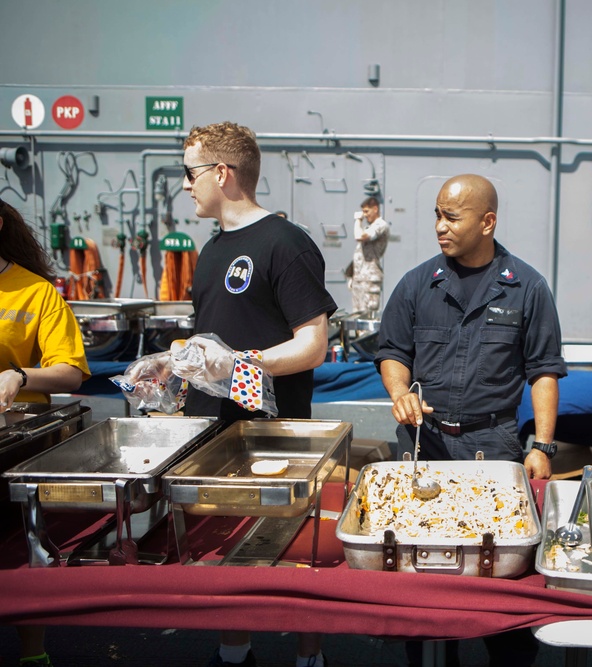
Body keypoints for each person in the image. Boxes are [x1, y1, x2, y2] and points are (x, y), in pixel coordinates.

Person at [375, 174, 566, 667]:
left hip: (492, 446)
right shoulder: (418, 283)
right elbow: (393, 351)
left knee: (494, 573)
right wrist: (400, 393)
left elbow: (543, 371)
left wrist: (542, 446)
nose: (440, 226)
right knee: (419, 568)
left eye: (452, 217)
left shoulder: (526, 287)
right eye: (437, 214)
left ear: (487, 222)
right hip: (425, 444)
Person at [179, 122, 336, 667]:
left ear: (221, 174)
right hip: (213, 428)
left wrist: (244, 362)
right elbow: (216, 332)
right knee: (225, 546)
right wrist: (180, 366)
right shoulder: (211, 250)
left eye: (190, 173)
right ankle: (234, 651)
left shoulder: (285, 244)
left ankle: (308, 656)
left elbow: (313, 344)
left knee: (290, 545)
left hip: (274, 432)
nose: (185, 185)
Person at [0, 197, 90, 666]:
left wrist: (20, 375)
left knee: (20, 547)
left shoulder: (36, 293)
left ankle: (32, 653)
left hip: (16, 441)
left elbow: (71, 372)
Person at [349, 196, 390, 317]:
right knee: (356, 315)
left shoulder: (381, 225)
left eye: (367, 211)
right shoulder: (369, 227)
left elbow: (360, 236)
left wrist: (357, 220)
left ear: (375, 209)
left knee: (367, 317)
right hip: (359, 278)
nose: (365, 215)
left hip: (370, 279)